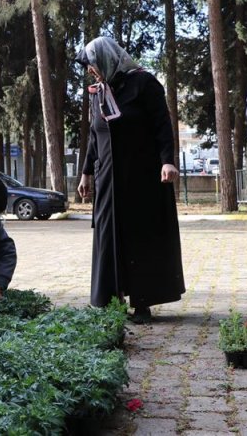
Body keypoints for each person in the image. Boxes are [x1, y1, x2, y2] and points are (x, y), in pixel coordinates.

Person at [75, 36, 185, 323]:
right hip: (107, 177)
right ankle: (112, 299)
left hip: (142, 176)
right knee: (108, 234)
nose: (90, 70)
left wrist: (168, 161)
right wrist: (86, 173)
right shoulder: (99, 92)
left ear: (108, 59)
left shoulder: (144, 84)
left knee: (140, 235)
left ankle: (143, 302)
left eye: (93, 64)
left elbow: (163, 125)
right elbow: (94, 135)